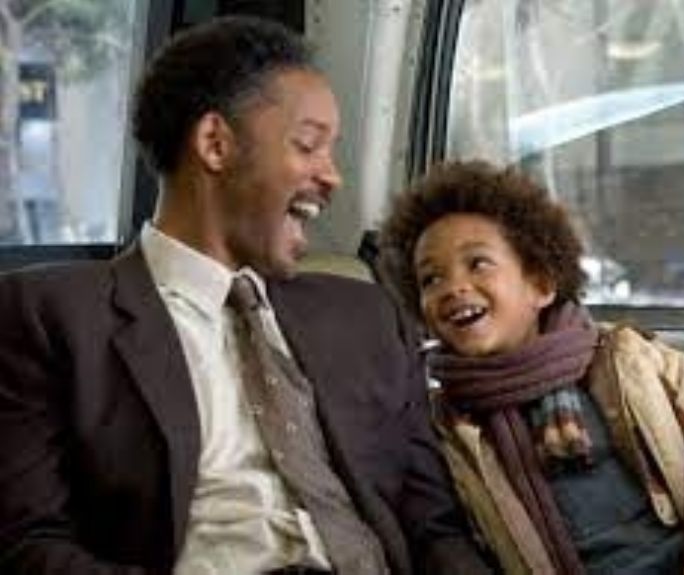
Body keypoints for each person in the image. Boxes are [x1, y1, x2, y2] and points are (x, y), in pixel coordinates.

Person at [0, 17, 495, 575]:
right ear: (216, 144)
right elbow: (27, 544)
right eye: (307, 145)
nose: (332, 176)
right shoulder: (49, 315)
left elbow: (433, 527)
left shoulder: (367, 316)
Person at [379, 159, 684, 575]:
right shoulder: (444, 423)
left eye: (477, 264)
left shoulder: (626, 357)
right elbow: (444, 536)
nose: (453, 287)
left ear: (542, 284)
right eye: (430, 279)